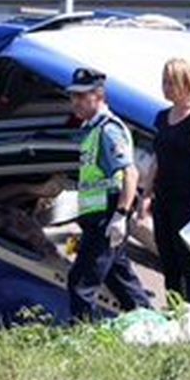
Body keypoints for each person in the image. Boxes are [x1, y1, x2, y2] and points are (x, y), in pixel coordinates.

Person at [62, 68, 151, 321]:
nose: (75, 102)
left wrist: (120, 215)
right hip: (97, 216)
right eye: (73, 96)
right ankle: (153, 327)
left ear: (99, 95)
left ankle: (83, 338)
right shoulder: (92, 129)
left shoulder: (109, 130)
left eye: (82, 96)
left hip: (108, 216)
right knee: (122, 280)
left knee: (81, 283)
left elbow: (131, 174)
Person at [140, 58, 190, 305]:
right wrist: (146, 195)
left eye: (171, 82)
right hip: (165, 197)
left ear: (186, 83)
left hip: (189, 199)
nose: (166, 87)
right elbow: (157, 159)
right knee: (169, 260)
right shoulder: (162, 117)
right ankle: (174, 310)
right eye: (164, 82)